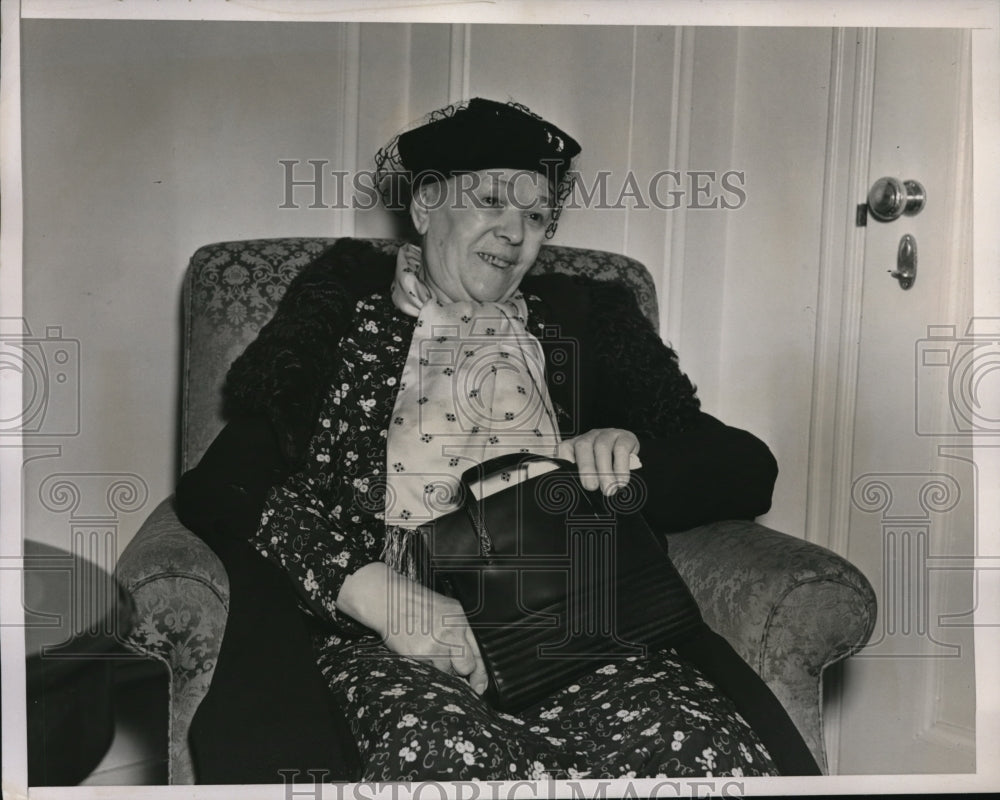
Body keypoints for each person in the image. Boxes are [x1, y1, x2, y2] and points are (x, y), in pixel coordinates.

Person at [176, 98, 821, 782]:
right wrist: (375, 593)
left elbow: (747, 468)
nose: (514, 233)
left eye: (537, 216)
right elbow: (224, 485)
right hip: (398, 640)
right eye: (490, 201)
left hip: (578, 626)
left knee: (695, 745)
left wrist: (629, 450)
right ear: (425, 206)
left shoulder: (582, 321)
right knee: (439, 755)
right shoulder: (336, 316)